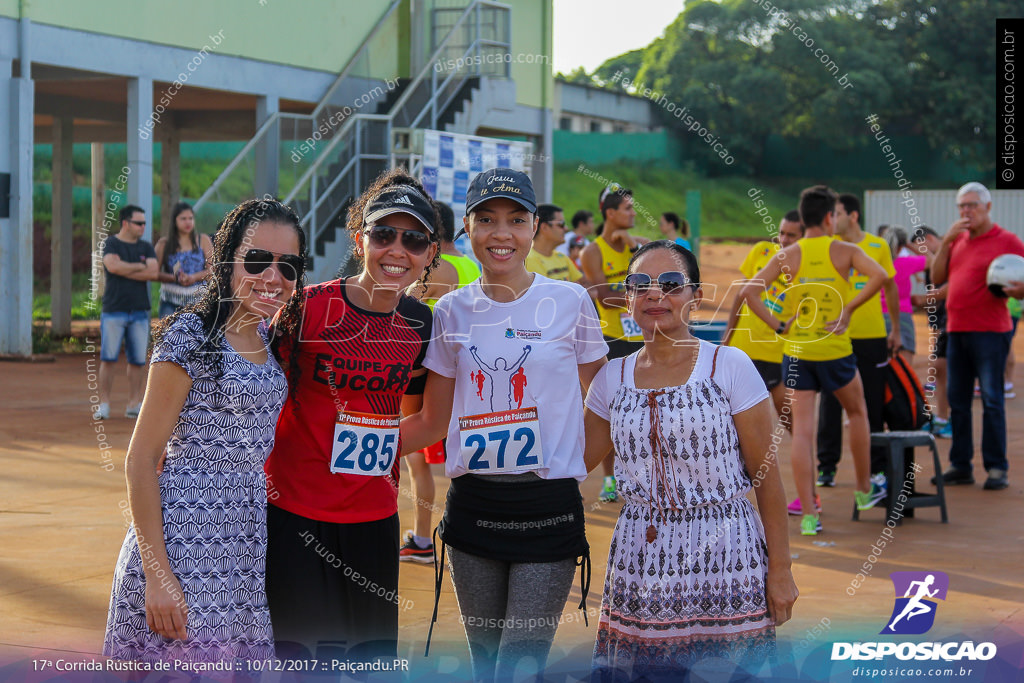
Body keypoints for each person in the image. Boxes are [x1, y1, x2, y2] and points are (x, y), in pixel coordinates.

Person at [400, 168, 608, 682]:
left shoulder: (569, 302)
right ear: (467, 230)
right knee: (486, 663)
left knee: (520, 664)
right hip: (474, 508)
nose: (502, 234)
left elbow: (603, 400)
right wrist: (340, 446)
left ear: (534, 228)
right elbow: (431, 418)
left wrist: (568, 469)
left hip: (546, 510)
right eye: (487, 220)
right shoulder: (449, 312)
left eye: (516, 220)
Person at [103, 198, 306, 663]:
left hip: (241, 547)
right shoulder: (190, 336)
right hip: (180, 543)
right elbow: (140, 460)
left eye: (288, 266)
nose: (273, 277)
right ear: (227, 260)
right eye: (257, 260)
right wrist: (157, 575)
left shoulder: (271, 340)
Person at [583, 240, 798, 679]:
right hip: (639, 565)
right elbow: (573, 464)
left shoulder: (729, 365)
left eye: (671, 284)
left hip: (727, 561)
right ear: (627, 298)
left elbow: (767, 478)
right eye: (639, 284)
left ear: (695, 297)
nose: (654, 294)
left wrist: (781, 570)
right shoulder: (612, 377)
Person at [264, 169, 439, 660]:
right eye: (383, 234)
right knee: (302, 661)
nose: (397, 250)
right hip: (292, 511)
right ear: (360, 239)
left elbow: (430, 421)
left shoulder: (423, 325)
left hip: (373, 517)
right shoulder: (306, 307)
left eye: (414, 240)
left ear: (430, 253)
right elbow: (258, 395)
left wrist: (378, 441)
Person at [742, 185, 888, 536]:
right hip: (834, 349)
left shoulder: (788, 254)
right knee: (858, 413)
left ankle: (809, 515)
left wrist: (779, 325)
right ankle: (864, 489)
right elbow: (881, 275)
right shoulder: (845, 249)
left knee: (802, 434)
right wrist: (849, 309)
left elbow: (748, 291)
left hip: (797, 353)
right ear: (828, 217)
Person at [930, 182, 1024, 491]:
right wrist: (945, 243)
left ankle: (997, 468)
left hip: (991, 332)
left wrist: (1020, 291)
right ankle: (961, 465)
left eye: (972, 205)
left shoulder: (1007, 240)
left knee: (992, 400)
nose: (966, 211)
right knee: (957, 401)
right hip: (957, 330)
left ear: (988, 207)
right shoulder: (958, 241)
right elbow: (937, 278)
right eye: (961, 206)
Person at [404, 201, 481, 565]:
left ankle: (421, 539)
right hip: (469, 376)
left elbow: (401, 311)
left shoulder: (439, 269)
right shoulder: (470, 265)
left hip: (432, 377)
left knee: (418, 460)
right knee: (464, 460)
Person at [811, 193, 900, 497]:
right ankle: (827, 466)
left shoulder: (877, 246)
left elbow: (889, 286)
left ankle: (875, 470)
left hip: (872, 336)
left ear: (853, 215)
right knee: (830, 403)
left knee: (870, 404)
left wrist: (897, 329)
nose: (831, 219)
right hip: (836, 335)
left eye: (836, 213)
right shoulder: (828, 248)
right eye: (829, 214)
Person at [581, 184, 650, 503]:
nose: (634, 213)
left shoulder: (640, 246)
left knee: (647, 410)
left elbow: (662, 275)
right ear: (610, 213)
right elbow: (605, 298)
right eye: (628, 208)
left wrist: (635, 251)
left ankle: (645, 475)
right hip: (610, 340)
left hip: (643, 338)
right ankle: (610, 478)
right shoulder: (591, 251)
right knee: (610, 411)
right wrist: (639, 295)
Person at [724, 210, 803, 426]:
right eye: (782, 233)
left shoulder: (805, 266)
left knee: (789, 418)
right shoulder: (762, 251)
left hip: (778, 352)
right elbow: (741, 296)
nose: (784, 239)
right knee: (737, 418)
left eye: (791, 235)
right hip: (745, 348)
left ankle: (806, 458)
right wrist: (727, 336)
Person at [95, 205, 159, 421]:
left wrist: (127, 268)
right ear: (125, 223)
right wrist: (139, 267)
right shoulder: (111, 243)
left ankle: (133, 403)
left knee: (138, 361)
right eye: (139, 223)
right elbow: (112, 267)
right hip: (114, 310)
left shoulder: (146, 246)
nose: (143, 227)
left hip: (140, 311)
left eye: (144, 223)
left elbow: (153, 271)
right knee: (108, 358)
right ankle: (104, 404)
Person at [911, 226, 951, 437]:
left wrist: (924, 299)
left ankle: (949, 419)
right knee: (940, 365)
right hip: (943, 315)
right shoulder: (936, 258)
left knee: (947, 367)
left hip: (954, 316)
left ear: (928, 239)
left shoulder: (945, 254)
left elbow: (946, 285)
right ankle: (944, 418)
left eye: (918, 246)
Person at [154, 202, 213, 319]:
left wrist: (193, 277)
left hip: (199, 301)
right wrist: (174, 278)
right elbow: (153, 273)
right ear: (175, 221)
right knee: (169, 335)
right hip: (170, 300)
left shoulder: (203, 240)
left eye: (190, 218)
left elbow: (213, 270)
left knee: (197, 336)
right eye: (183, 219)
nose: (188, 222)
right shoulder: (164, 244)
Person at [882, 225, 927, 366]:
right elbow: (933, 260)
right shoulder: (906, 263)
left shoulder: (875, 263)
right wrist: (911, 245)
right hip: (902, 314)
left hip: (877, 316)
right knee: (905, 365)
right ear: (902, 246)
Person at [525, 203, 589, 285]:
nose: (566, 228)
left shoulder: (562, 257)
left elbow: (586, 284)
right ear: (544, 227)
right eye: (561, 224)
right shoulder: (529, 260)